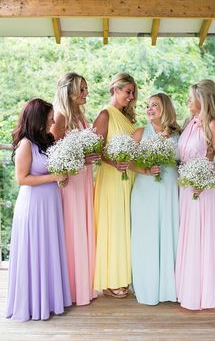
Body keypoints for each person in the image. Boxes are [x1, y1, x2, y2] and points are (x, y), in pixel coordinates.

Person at [6, 98, 72, 322]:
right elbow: (21, 179)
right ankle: (33, 304)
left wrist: (61, 178)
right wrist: (54, 177)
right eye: (50, 116)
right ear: (38, 118)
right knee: (35, 250)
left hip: (50, 203)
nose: (53, 120)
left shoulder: (48, 140)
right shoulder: (26, 144)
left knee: (48, 249)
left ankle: (49, 300)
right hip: (34, 206)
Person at [175, 79, 215, 310]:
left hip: (202, 190)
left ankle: (201, 294)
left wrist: (203, 180)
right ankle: (186, 289)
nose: (188, 100)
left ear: (202, 100)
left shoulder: (213, 125)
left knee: (200, 236)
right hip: (186, 188)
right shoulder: (189, 122)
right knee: (188, 236)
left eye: (191, 97)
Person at [51, 72, 98, 306]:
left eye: (85, 89)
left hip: (84, 177)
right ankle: (70, 287)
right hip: (70, 182)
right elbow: (52, 152)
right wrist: (81, 159)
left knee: (83, 227)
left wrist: (90, 156)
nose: (85, 93)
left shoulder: (79, 115)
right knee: (72, 229)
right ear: (68, 91)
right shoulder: (59, 116)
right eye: (82, 89)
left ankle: (83, 285)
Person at [130, 93, 180, 305]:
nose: (149, 109)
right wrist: (146, 170)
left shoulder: (178, 133)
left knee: (170, 233)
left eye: (155, 106)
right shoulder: (140, 132)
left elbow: (184, 159)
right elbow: (127, 162)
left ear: (165, 108)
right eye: (147, 106)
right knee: (146, 237)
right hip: (145, 191)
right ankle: (147, 287)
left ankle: (171, 288)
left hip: (170, 190)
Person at [93, 72, 137, 298]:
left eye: (133, 93)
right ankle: (110, 279)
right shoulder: (105, 115)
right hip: (111, 177)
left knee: (125, 225)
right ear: (116, 90)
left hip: (129, 177)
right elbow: (95, 150)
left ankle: (124, 274)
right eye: (128, 91)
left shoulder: (127, 117)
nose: (131, 96)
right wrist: (114, 161)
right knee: (113, 225)